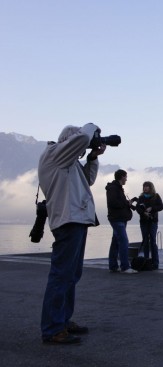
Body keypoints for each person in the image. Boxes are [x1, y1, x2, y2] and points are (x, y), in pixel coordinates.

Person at [38, 123, 107, 344]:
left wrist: (93, 157)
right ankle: (52, 328)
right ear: (71, 140)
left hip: (76, 220)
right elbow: (80, 140)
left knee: (71, 275)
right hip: (68, 221)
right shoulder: (54, 154)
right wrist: (91, 127)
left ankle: (63, 321)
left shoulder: (68, 162)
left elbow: (87, 181)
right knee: (61, 275)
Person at [106, 169, 137, 274]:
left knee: (115, 242)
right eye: (126, 177)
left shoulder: (118, 189)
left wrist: (126, 203)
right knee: (124, 241)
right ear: (122, 177)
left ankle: (113, 266)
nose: (126, 179)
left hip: (120, 218)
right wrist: (125, 203)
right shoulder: (113, 188)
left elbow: (117, 202)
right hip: (117, 219)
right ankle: (125, 267)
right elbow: (113, 203)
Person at [135, 181, 163, 270]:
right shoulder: (141, 197)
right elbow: (137, 208)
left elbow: (161, 206)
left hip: (153, 221)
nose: (145, 188)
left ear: (151, 187)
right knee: (145, 241)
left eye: (147, 186)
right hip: (143, 221)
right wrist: (143, 213)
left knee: (153, 241)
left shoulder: (156, 196)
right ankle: (146, 261)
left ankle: (155, 263)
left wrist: (152, 208)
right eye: (144, 186)